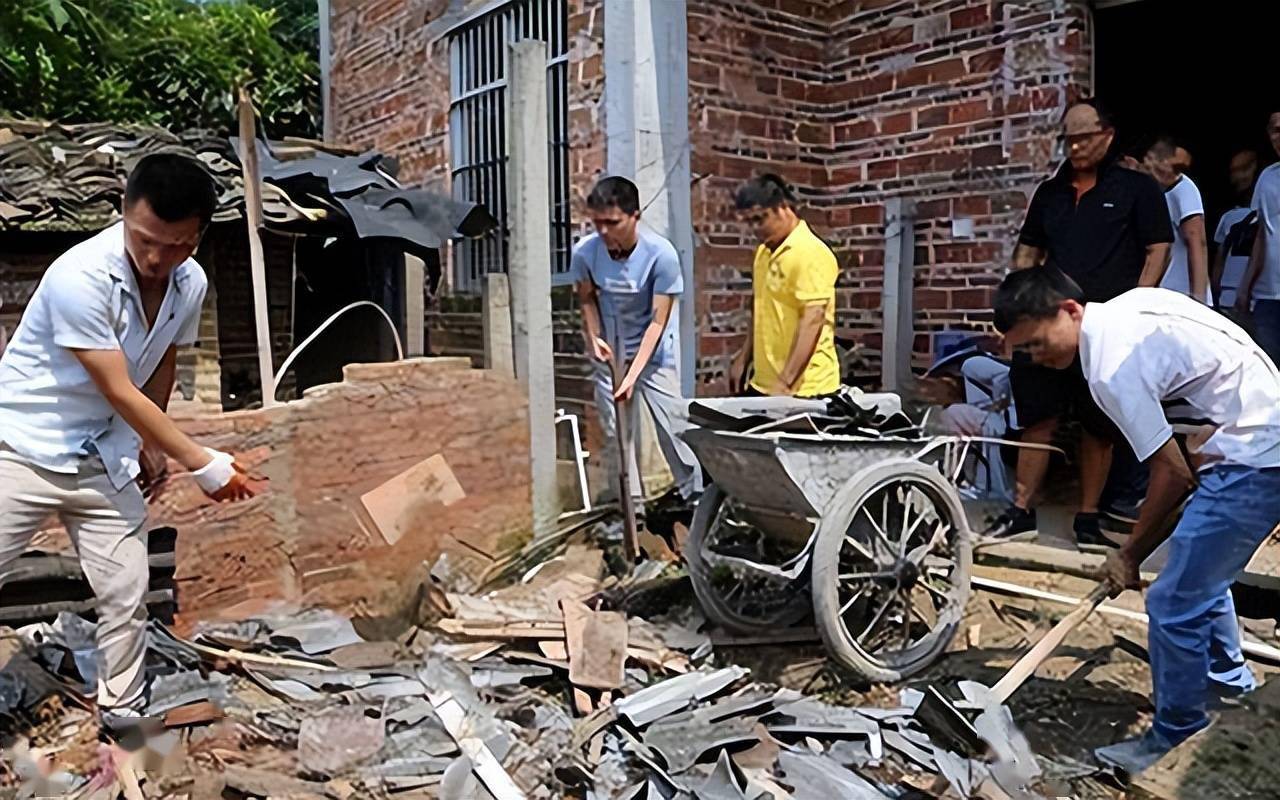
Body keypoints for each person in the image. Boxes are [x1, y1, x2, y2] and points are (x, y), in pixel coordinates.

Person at [0, 154, 259, 735]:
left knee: (126, 589)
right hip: (21, 445)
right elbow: (117, 386)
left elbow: (163, 355)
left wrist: (152, 441)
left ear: (197, 236)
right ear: (123, 213)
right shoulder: (79, 276)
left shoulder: (188, 284)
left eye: (177, 245)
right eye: (145, 240)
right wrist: (205, 463)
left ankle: (121, 709)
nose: (155, 259)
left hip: (100, 458)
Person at [992, 267, 1280, 775]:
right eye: (1026, 353)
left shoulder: (1110, 367)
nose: (1038, 358)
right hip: (1251, 434)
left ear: (1070, 310)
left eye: (1038, 343)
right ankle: (1234, 691)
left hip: (1256, 453)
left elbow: (1171, 478)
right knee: (1200, 581)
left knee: (1172, 600)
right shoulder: (1129, 308)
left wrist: (1127, 554)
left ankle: (1177, 730)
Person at [985, 100, 1173, 547]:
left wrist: (1137, 306)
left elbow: (1158, 249)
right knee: (1036, 416)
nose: (1075, 147)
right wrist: (1016, 307)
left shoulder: (1136, 189)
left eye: (1083, 138)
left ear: (1107, 134)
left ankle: (1088, 518)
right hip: (1048, 327)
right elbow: (1028, 250)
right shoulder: (1049, 194)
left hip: (1105, 328)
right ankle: (1021, 510)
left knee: (1099, 425)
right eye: (1067, 139)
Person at [571, 176, 702, 506]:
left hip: (654, 354)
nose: (603, 231)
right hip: (609, 352)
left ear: (634, 216)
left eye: (612, 223)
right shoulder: (585, 253)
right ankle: (633, 507)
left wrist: (632, 375)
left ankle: (695, 498)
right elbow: (586, 299)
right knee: (618, 433)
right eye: (597, 222)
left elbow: (658, 321)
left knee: (673, 427)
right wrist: (594, 339)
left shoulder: (662, 255)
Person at [728, 174, 841, 398]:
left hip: (807, 389)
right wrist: (743, 357)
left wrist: (785, 383)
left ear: (782, 207)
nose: (756, 228)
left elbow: (813, 319)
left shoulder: (809, 253)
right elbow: (760, 309)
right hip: (764, 384)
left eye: (761, 219)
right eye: (750, 222)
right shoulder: (763, 253)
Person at [1236, 111, 1280, 365]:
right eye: (1276, 130)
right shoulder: (1267, 177)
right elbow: (1263, 234)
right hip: (1267, 296)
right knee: (1268, 373)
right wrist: (1245, 285)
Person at [1143, 137, 1210, 304]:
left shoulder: (1184, 189)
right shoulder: (1158, 193)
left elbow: (1197, 242)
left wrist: (1199, 300)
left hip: (1184, 295)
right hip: (1166, 293)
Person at [1211, 149, 1259, 309]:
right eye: (1234, 171)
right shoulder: (1229, 217)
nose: (1238, 177)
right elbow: (1220, 258)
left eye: (1244, 169)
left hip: (1260, 296)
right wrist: (1215, 289)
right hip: (1227, 295)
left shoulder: (1272, 214)